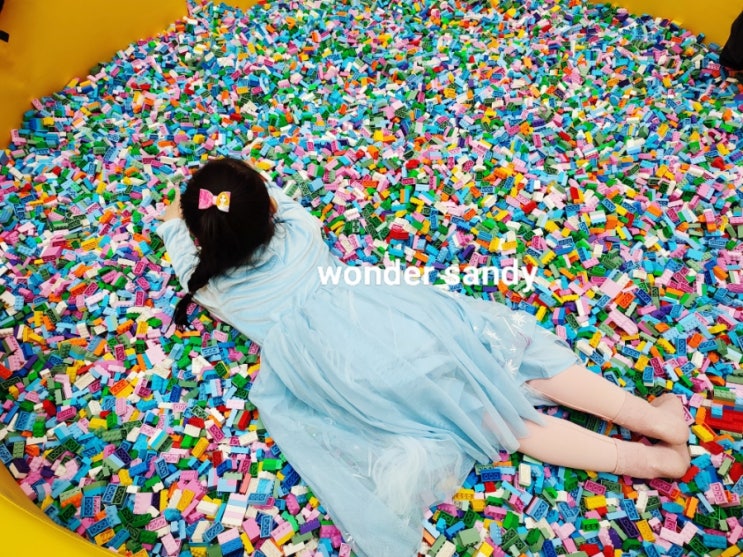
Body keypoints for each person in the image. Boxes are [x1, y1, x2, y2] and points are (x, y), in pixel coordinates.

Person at [156, 157, 690, 557]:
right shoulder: (301, 234)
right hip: (392, 319)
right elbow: (267, 199)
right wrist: (224, 199)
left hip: (347, 374)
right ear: (270, 212)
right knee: (514, 353)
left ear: (203, 240)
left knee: (495, 421)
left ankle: (651, 462)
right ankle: (653, 420)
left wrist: (186, 219)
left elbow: (176, 227)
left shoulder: (210, 287)